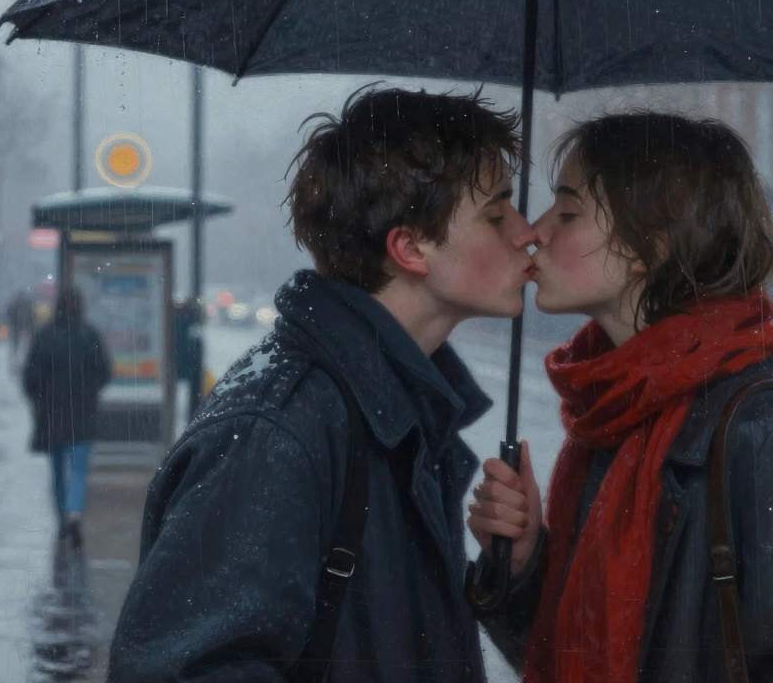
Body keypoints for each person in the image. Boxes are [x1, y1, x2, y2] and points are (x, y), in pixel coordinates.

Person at [467, 113, 773, 682]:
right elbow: (583, 650)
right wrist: (523, 569)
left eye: (567, 212)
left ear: (650, 246)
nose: (536, 230)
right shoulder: (612, 418)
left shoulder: (769, 439)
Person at [107, 87, 537, 682]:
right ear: (410, 247)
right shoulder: (279, 428)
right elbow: (186, 669)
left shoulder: (399, 411)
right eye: (496, 214)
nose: (526, 232)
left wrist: (510, 571)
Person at [23, 287, 112, 548]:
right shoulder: (89, 334)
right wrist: (88, 391)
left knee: (57, 470)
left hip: (51, 413)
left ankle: (63, 517)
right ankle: (74, 512)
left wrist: (41, 397)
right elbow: (104, 371)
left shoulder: (45, 336)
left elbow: (30, 376)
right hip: (82, 412)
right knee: (80, 469)